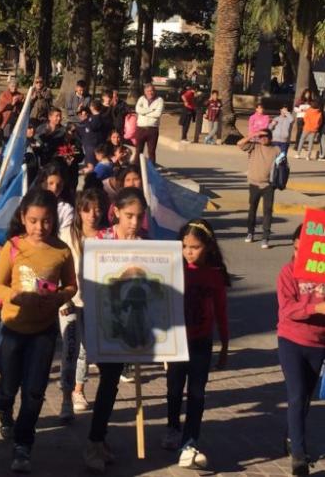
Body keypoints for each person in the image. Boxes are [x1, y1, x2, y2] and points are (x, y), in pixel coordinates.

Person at [0, 188, 77, 473]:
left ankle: (23, 445)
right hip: (13, 327)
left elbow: (71, 286)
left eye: (47, 220)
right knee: (10, 382)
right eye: (34, 220)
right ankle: (2, 405)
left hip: (44, 330)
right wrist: (15, 295)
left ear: (54, 220)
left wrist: (60, 297)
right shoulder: (14, 247)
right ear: (24, 219)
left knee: (35, 391)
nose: (40, 227)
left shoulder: (62, 252)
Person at [84, 187, 148, 474]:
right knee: (108, 380)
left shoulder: (146, 243)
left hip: (131, 324)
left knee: (110, 383)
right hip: (105, 321)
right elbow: (90, 276)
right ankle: (94, 442)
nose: (134, 222)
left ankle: (100, 439)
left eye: (139, 216)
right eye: (129, 215)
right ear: (117, 212)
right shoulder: (102, 240)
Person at [162, 219, 230, 469]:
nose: (188, 252)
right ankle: (172, 426)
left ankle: (190, 440)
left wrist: (224, 345)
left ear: (209, 248)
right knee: (173, 388)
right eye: (184, 246)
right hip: (177, 341)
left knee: (197, 393)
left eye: (195, 247)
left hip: (202, 342)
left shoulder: (214, 276)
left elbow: (222, 312)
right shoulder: (175, 269)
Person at [276, 224, 325, 476]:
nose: (298, 255)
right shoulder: (287, 273)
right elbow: (287, 309)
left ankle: (291, 435)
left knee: (304, 398)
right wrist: (314, 308)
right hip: (291, 341)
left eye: (303, 250)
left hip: (318, 344)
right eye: (295, 249)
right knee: (295, 395)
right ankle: (298, 455)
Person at [58, 189, 106, 420]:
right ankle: (66, 398)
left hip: (95, 301)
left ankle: (79, 390)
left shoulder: (106, 237)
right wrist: (62, 297)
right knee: (70, 349)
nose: (92, 215)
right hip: (69, 301)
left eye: (97, 209)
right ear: (79, 211)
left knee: (86, 350)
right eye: (88, 209)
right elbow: (58, 267)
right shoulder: (68, 235)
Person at [238, 129, 280, 249]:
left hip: (269, 185)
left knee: (268, 211)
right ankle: (250, 232)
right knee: (252, 209)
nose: (263, 138)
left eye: (265, 136)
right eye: (261, 136)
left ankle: (265, 237)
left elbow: (282, 167)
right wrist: (253, 135)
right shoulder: (254, 146)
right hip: (254, 184)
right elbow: (239, 144)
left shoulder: (276, 150)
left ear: (270, 138)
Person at [37, 160, 75, 231]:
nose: (55, 188)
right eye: (51, 183)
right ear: (43, 183)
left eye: (59, 185)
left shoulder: (66, 209)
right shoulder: (33, 204)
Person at [134, 83, 164, 164]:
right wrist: (151, 110)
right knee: (138, 151)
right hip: (140, 129)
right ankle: (136, 169)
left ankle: (152, 170)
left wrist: (144, 112)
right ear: (145, 92)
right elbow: (137, 110)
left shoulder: (159, 100)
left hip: (152, 129)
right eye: (148, 91)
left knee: (151, 151)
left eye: (152, 91)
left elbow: (157, 114)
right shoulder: (141, 99)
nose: (150, 92)